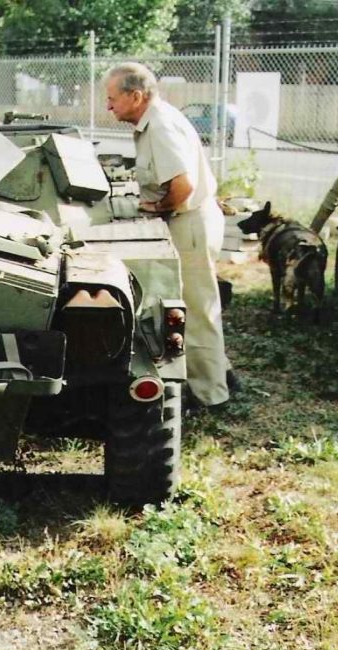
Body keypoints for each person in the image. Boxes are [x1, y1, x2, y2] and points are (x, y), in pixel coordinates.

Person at [105, 62, 232, 409]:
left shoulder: (159, 126)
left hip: (189, 220)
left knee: (196, 308)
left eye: (112, 98)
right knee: (190, 304)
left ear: (136, 95)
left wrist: (156, 209)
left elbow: (182, 185)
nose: (108, 105)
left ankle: (212, 394)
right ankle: (217, 372)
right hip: (189, 219)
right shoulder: (154, 121)